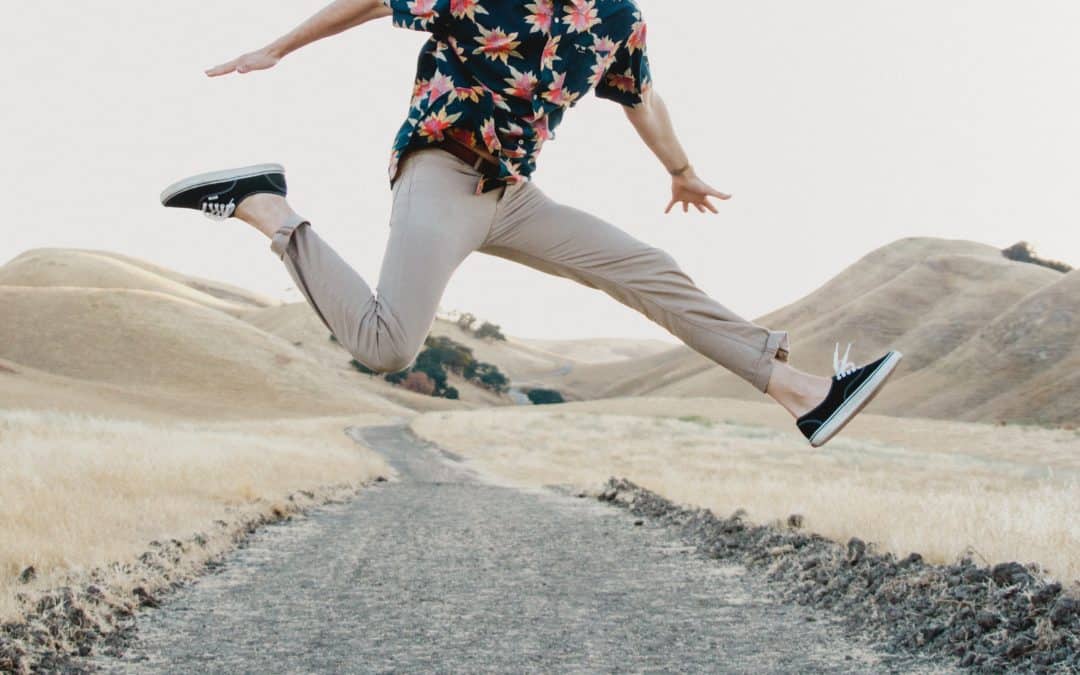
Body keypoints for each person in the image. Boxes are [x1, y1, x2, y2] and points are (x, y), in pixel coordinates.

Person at [159, 0, 902, 447]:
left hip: (512, 195)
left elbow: (642, 98)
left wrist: (678, 169)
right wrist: (277, 48)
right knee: (387, 345)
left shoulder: (616, 17)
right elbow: (375, 0)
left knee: (645, 267)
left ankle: (805, 394)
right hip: (440, 172)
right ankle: (267, 206)